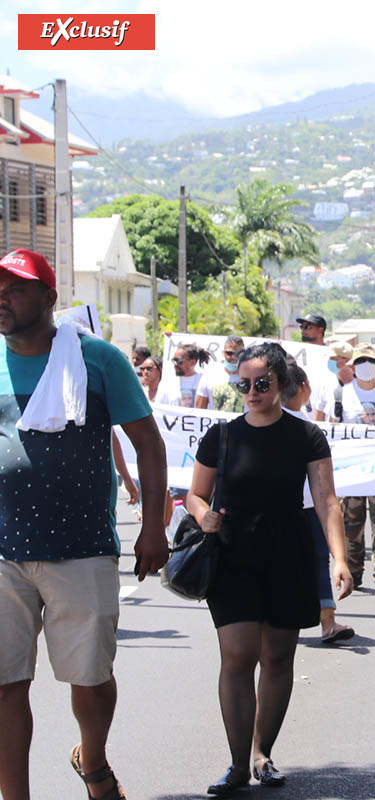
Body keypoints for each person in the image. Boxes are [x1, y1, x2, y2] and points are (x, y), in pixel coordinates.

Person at [0, 248, 168, 800]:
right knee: (5, 685)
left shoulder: (96, 359)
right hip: (3, 553)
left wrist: (152, 526)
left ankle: (92, 760)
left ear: (49, 298)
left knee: (91, 679)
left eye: (15, 288)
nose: (2, 297)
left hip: (82, 547)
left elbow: (147, 441)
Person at [187, 343, 351, 796]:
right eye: (244, 384)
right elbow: (194, 493)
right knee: (238, 657)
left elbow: (326, 499)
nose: (252, 391)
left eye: (262, 383)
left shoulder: (306, 436)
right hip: (233, 554)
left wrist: (339, 558)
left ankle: (263, 753)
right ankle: (238, 764)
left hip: (288, 553)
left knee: (278, 658)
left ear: (282, 384)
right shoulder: (221, 436)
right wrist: (203, 515)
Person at [280, 361, 354, 644]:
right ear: (304, 389)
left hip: (296, 508)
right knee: (317, 563)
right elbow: (326, 494)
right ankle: (327, 622)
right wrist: (342, 559)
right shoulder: (307, 430)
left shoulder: (254, 424)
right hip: (308, 508)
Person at [331, 343, 375, 596]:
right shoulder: (341, 395)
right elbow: (332, 430)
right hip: (351, 471)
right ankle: (353, 569)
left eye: (370, 362)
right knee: (351, 522)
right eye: (360, 362)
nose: (365, 367)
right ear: (353, 367)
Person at [160, 343, 213, 409]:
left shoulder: (204, 381)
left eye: (179, 361)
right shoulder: (167, 382)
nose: (175, 364)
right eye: (174, 360)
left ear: (193, 362)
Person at [209, 336, 247, 414]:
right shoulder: (210, 376)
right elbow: (199, 410)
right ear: (223, 353)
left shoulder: (252, 376)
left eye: (238, 353)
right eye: (229, 353)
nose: (233, 357)